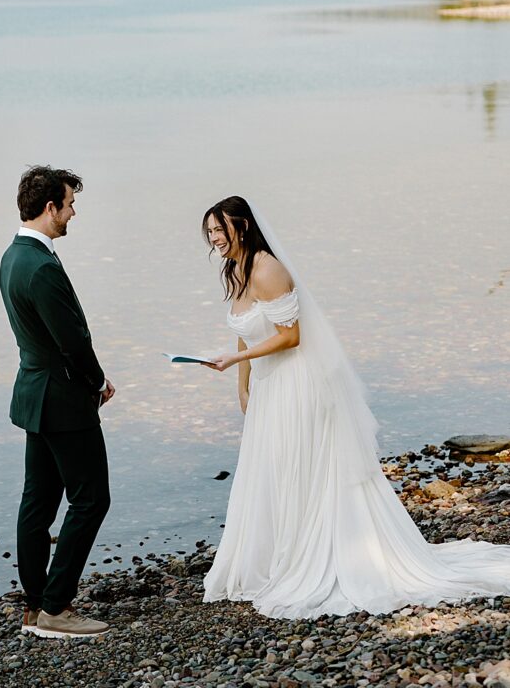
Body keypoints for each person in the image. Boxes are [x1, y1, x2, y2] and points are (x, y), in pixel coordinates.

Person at [200, 195, 510, 619]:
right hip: (269, 385)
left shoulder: (268, 268)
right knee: (273, 469)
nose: (214, 238)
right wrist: (243, 383)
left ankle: (319, 554)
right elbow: (246, 330)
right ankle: (276, 555)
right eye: (211, 231)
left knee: (301, 466)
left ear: (243, 226)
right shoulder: (235, 269)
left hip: (296, 383)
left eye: (220, 229)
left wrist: (239, 361)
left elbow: (291, 336)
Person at [0, 165, 115, 639]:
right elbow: (71, 340)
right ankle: (55, 606)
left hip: (33, 393)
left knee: (39, 502)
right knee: (91, 499)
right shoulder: (42, 266)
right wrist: (98, 382)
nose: (72, 214)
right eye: (69, 205)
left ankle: (33, 605)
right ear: (50, 208)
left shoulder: (12, 256)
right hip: (63, 398)